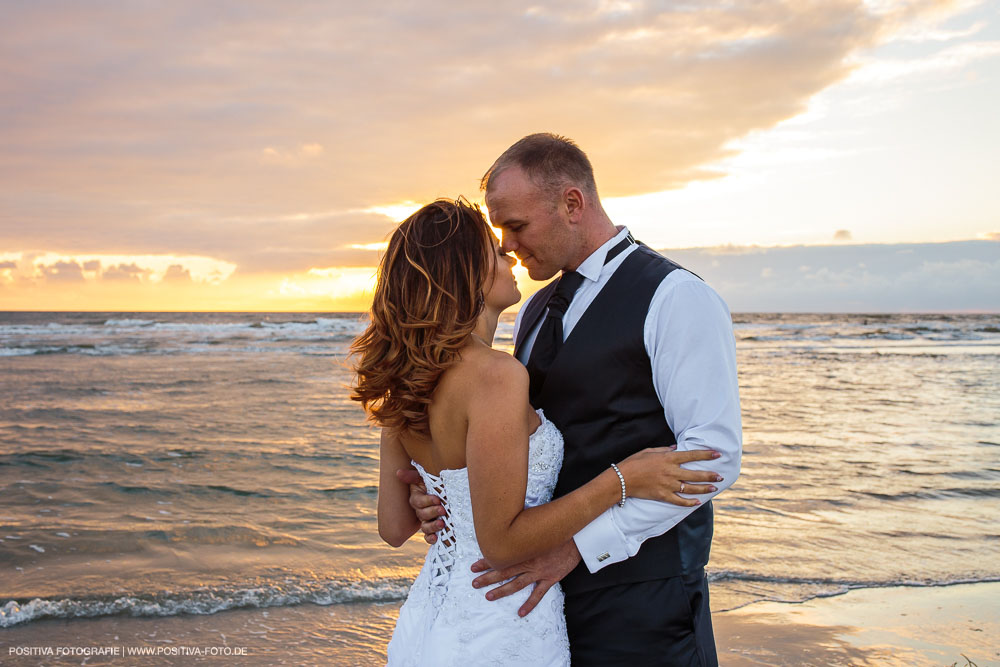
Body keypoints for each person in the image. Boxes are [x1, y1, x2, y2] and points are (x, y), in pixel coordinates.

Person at [401, 134, 743, 665]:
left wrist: (578, 549)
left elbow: (712, 459)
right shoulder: (535, 311)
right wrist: (447, 499)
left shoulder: (676, 297)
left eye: (516, 225)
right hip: (538, 601)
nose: (508, 245)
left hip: (643, 601)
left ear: (572, 203)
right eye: (500, 231)